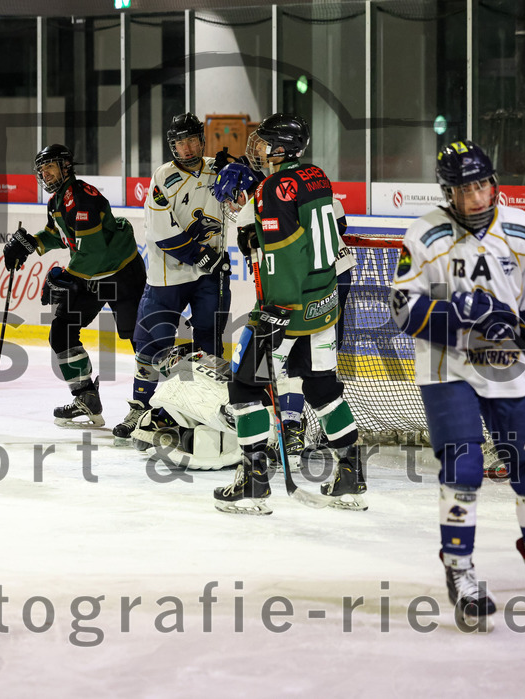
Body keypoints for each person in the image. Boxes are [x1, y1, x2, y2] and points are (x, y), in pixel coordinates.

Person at [388, 139, 525, 630]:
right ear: (448, 192)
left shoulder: (522, 229)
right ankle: (460, 573)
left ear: (494, 182)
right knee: (464, 465)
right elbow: (402, 309)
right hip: (446, 368)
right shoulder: (425, 233)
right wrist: (464, 321)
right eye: (464, 188)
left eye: (482, 184)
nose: (476, 196)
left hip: (508, 367)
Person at [214, 113, 364, 515]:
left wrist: (276, 309)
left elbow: (283, 252)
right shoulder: (316, 176)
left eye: (264, 143)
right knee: (321, 387)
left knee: (244, 387)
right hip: (323, 303)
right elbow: (327, 230)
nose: (259, 149)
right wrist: (253, 232)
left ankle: (253, 482)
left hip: (289, 305)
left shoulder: (273, 188)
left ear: (280, 147)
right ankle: (350, 475)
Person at [213, 160, 354, 459]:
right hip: (332, 280)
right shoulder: (305, 183)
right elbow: (340, 223)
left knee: (266, 366)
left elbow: (280, 266)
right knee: (317, 373)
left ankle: (284, 430)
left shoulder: (258, 205)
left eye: (231, 198)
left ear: (242, 192)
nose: (233, 206)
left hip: (296, 289)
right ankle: (316, 441)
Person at [3, 144, 145, 427]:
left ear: (66, 167)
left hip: (121, 273)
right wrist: (31, 243)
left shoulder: (80, 196)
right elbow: (63, 237)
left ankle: (148, 406)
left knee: (139, 339)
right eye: (42, 170)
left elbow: (92, 252)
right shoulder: (57, 201)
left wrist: (65, 276)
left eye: (51, 167)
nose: (46, 173)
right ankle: (86, 398)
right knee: (62, 331)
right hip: (92, 276)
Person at [118, 113, 231, 445]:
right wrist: (199, 254)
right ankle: (140, 406)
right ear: (172, 146)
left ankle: (203, 408)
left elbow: (249, 191)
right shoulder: (163, 177)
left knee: (210, 338)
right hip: (168, 274)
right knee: (154, 341)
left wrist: (237, 168)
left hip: (209, 274)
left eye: (193, 140)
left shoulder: (217, 168)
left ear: (202, 139)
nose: (188, 147)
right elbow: (160, 232)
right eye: (181, 143)